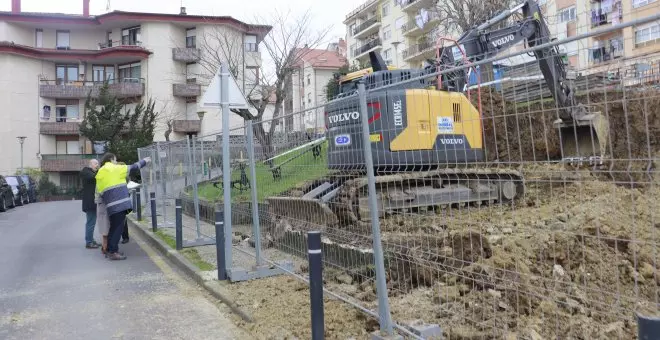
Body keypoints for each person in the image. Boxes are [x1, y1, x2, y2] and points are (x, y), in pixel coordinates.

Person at [95, 153, 150, 261]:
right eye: (115, 160)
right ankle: (113, 252)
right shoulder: (115, 168)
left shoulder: (100, 172)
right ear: (111, 159)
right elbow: (134, 167)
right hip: (120, 204)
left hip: (110, 205)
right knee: (118, 229)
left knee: (113, 228)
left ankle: (110, 249)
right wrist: (145, 161)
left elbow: (100, 191)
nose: (116, 162)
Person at [80, 159, 101, 249]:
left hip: (93, 202)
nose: (97, 165)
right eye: (95, 163)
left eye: (98, 163)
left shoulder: (92, 172)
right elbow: (93, 177)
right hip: (90, 202)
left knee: (92, 221)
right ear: (90, 164)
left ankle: (91, 239)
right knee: (91, 222)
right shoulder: (86, 171)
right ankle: (89, 242)